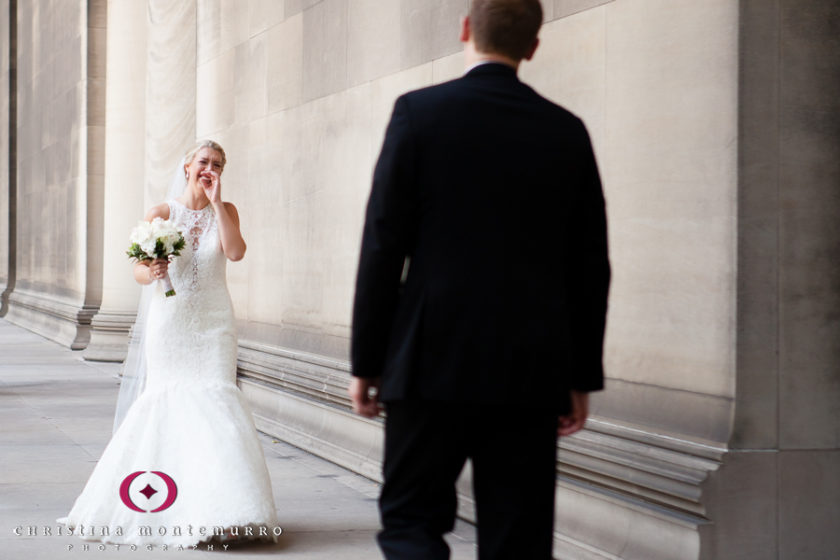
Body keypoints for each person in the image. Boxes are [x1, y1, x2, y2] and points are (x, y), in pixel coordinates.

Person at [349, 1, 610, 558]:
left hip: (427, 361)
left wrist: (367, 363)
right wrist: (580, 375)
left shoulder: (418, 113)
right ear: (533, 46)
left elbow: (382, 245)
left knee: (411, 526)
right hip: (532, 367)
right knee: (518, 538)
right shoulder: (565, 131)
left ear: (465, 29)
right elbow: (591, 264)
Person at [57, 140, 280, 547]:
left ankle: (225, 513)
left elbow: (235, 252)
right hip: (171, 324)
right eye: (203, 162)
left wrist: (216, 203)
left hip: (214, 324)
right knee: (169, 404)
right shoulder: (162, 214)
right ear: (187, 166)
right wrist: (154, 270)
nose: (209, 169)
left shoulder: (226, 212)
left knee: (217, 404)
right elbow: (138, 271)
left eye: (217, 165)